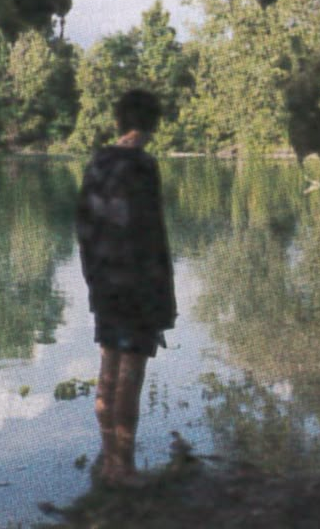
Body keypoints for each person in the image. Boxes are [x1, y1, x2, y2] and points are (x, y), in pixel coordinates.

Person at [75, 89, 177, 487]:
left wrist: (92, 277)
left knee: (109, 366)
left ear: (119, 121)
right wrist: (162, 298)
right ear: (153, 123)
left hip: (104, 280)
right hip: (136, 283)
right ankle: (124, 468)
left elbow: (83, 226)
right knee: (131, 371)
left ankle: (108, 460)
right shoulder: (142, 166)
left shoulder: (97, 163)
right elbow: (151, 235)